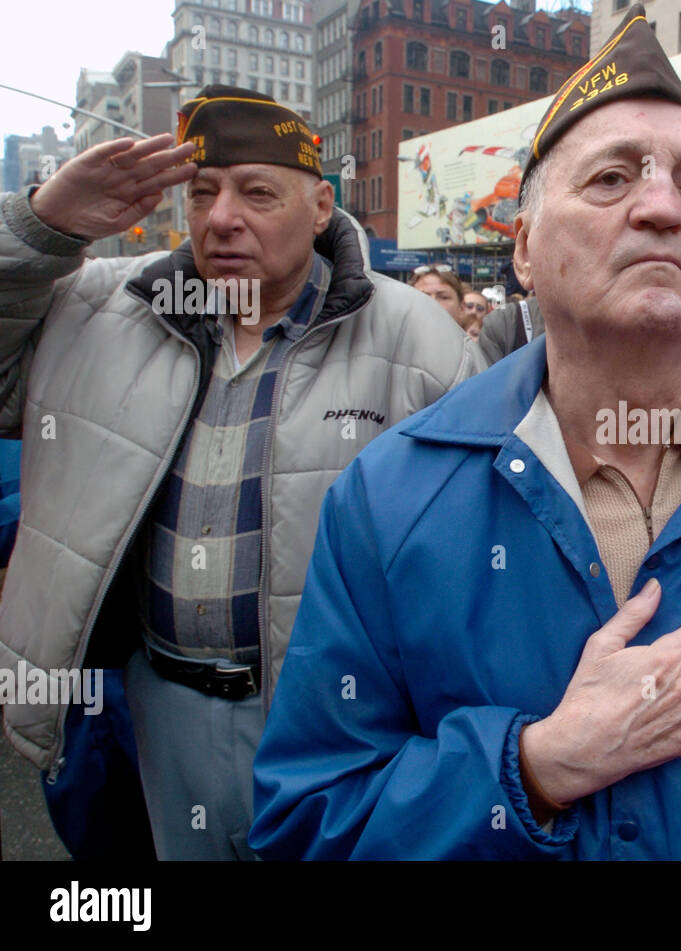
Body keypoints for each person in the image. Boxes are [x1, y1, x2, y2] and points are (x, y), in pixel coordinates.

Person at [249, 4, 681, 860]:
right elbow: (307, 820)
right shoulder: (391, 495)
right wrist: (535, 767)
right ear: (522, 248)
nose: (663, 206)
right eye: (611, 180)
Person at [0, 85, 479, 859]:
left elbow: (469, 550)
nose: (222, 216)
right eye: (203, 193)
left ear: (322, 206)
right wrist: (42, 229)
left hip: (334, 715)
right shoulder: (96, 309)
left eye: (258, 192)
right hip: (156, 705)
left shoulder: (419, 340)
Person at [413, 265, 478, 338]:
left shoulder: (474, 348)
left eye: (443, 297)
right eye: (424, 296)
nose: (433, 302)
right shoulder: (399, 345)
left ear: (461, 307)